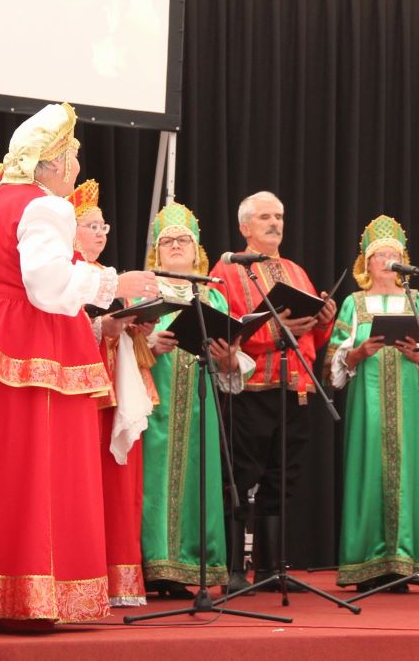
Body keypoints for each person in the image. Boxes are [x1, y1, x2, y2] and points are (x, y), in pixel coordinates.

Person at [0, 103, 158, 630]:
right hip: (30, 343)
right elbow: (47, 284)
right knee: (32, 466)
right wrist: (116, 283)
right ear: (52, 162)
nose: (77, 168)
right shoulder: (46, 206)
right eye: (73, 157)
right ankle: (24, 596)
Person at [207, 190, 337, 593]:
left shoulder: (296, 271)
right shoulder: (227, 269)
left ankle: (271, 569)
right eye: (265, 217)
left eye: (278, 217)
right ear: (244, 227)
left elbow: (311, 336)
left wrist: (324, 320)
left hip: (296, 387)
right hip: (250, 388)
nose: (275, 224)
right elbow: (224, 330)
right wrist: (274, 335)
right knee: (239, 476)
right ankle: (233, 570)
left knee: (283, 478)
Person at [325, 215, 419, 593]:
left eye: (393, 254)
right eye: (379, 255)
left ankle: (404, 561)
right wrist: (358, 353)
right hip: (368, 405)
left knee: (409, 472)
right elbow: (333, 363)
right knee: (368, 473)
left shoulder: (416, 299)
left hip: (411, 402)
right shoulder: (354, 303)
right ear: (366, 262)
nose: (386, 261)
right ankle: (367, 564)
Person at [140, 202, 252, 597]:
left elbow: (232, 360)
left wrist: (228, 358)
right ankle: (149, 566)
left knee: (197, 482)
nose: (175, 245)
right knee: (151, 485)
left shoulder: (213, 298)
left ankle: (188, 567)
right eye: (167, 240)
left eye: (183, 240)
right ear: (156, 251)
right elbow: (117, 345)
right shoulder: (143, 291)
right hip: (152, 406)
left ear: (196, 250)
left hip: (199, 409)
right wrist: (148, 346)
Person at [67, 179, 156, 607]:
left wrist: (137, 329)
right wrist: (102, 326)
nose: (101, 233)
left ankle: (116, 579)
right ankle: (81, 577)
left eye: (104, 226)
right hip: (81, 396)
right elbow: (59, 332)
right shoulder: (68, 275)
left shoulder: (108, 278)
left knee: (119, 485)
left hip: (114, 392)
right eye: (91, 225)